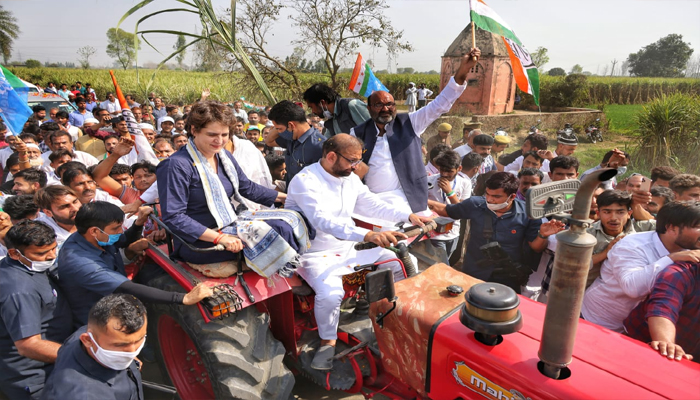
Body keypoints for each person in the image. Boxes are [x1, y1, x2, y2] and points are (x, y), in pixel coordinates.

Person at [285, 134, 430, 370]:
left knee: (400, 260)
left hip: (348, 245)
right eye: (352, 161)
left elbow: (371, 204)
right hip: (315, 253)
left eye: (358, 160)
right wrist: (368, 235)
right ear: (332, 156)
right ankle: (328, 342)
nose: (357, 166)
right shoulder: (305, 181)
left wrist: (408, 215)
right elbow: (323, 221)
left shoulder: (350, 178)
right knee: (331, 294)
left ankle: (395, 317)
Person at [157, 101, 304, 279]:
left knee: (289, 220)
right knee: (279, 231)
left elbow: (246, 186)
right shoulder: (176, 165)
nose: (219, 141)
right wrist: (220, 238)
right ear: (194, 130)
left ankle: (292, 275)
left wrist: (286, 199)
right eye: (212, 135)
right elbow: (174, 217)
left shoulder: (223, 155)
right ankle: (288, 276)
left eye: (224, 134)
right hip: (198, 241)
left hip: (230, 223)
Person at [351, 48, 481, 217]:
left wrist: (463, 71)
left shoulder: (410, 122)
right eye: (379, 105)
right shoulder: (357, 133)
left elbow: (440, 104)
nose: (385, 109)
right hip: (372, 204)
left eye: (390, 104)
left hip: (408, 201)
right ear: (369, 108)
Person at [56, 202, 213, 326]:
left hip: (117, 302)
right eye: (116, 228)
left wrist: (138, 223)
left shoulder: (95, 237)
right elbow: (125, 287)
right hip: (97, 317)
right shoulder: (79, 262)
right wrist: (182, 298)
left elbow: (123, 240)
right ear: (94, 231)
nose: (120, 231)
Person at [431, 172, 564, 291]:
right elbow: (447, 210)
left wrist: (543, 234)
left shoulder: (528, 213)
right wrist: (418, 204)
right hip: (475, 271)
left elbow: (535, 247)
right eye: (487, 194)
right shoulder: (475, 204)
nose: (489, 199)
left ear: (512, 196)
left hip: (508, 276)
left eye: (496, 196)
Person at [582, 201, 700, 332]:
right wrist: (670, 259)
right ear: (671, 228)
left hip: (633, 330)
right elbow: (632, 287)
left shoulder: (689, 250)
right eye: (698, 226)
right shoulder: (632, 245)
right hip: (594, 321)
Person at [0, 221, 72, 400]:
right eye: (41, 253)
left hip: (54, 366)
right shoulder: (18, 290)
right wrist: (84, 356)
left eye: (53, 249)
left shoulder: (31, 265)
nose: (50, 256)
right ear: (14, 254)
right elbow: (28, 345)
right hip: (37, 379)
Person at [41, 294, 146, 400]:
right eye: (121, 345)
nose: (132, 352)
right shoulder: (83, 394)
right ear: (87, 340)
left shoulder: (97, 332)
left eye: (139, 340)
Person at [624, 260, 699, 362]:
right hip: (636, 346)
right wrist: (667, 344)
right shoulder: (678, 273)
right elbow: (663, 308)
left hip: (688, 363)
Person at [585, 190, 656, 288]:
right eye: (607, 212)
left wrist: (636, 205)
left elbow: (668, 227)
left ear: (629, 214)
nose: (613, 218)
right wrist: (605, 253)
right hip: (591, 293)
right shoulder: (586, 234)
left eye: (620, 212)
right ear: (598, 213)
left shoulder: (640, 229)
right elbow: (576, 264)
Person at [265, 100, 326, 187]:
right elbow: (269, 141)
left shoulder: (320, 146)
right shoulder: (291, 138)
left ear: (291, 125)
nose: (279, 132)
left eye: (279, 129)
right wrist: (278, 124)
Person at [426, 150, 471, 259]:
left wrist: (450, 193)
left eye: (449, 171)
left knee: (447, 262)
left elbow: (463, 210)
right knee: (441, 264)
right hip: (434, 234)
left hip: (454, 232)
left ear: (459, 169)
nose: (444, 174)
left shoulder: (465, 183)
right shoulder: (429, 181)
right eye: (442, 170)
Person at [303, 83, 371, 138]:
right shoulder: (332, 120)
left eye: (311, 107)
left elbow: (373, 131)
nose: (312, 111)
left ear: (322, 103)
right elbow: (327, 143)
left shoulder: (351, 106)